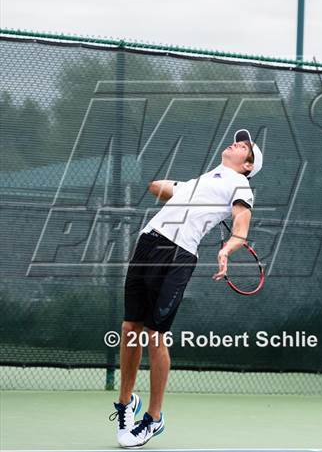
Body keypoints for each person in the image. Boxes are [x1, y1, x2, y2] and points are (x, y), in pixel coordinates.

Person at [110, 129, 263, 448]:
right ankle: (125, 405)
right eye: (238, 140)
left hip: (179, 254)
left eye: (244, 146)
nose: (236, 143)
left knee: (154, 334)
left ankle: (153, 418)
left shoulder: (240, 185)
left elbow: (241, 225)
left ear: (247, 165)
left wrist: (226, 250)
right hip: (148, 241)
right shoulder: (203, 180)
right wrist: (163, 187)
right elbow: (162, 188)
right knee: (129, 327)